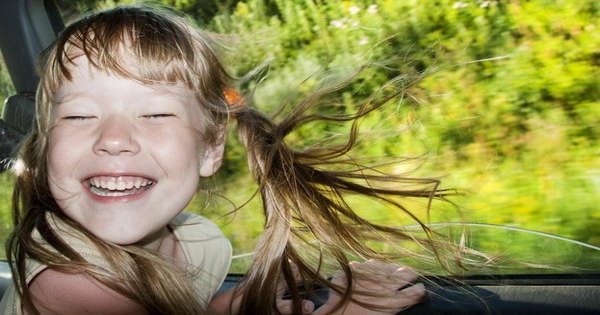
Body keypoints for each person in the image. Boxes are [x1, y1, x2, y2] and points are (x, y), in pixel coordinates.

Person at [0, 5, 451, 315]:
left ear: (211, 148)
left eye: (156, 113)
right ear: (44, 149)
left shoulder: (202, 243)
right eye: (79, 115)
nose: (114, 138)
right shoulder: (73, 280)